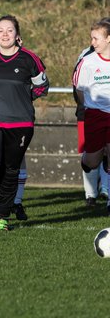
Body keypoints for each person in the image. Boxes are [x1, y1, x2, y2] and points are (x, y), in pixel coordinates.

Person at [0, 14, 49, 230]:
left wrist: (23, 98)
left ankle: (3, 216)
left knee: (10, 169)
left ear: (17, 34)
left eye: (10, 30)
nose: (5, 34)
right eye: (1, 30)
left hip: (19, 123)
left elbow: (42, 86)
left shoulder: (29, 59)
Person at [73, 18, 110, 215]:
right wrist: (88, 106)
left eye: (96, 39)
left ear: (109, 39)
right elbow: (79, 90)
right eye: (92, 38)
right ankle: (88, 162)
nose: (93, 42)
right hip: (94, 115)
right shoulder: (87, 62)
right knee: (93, 160)